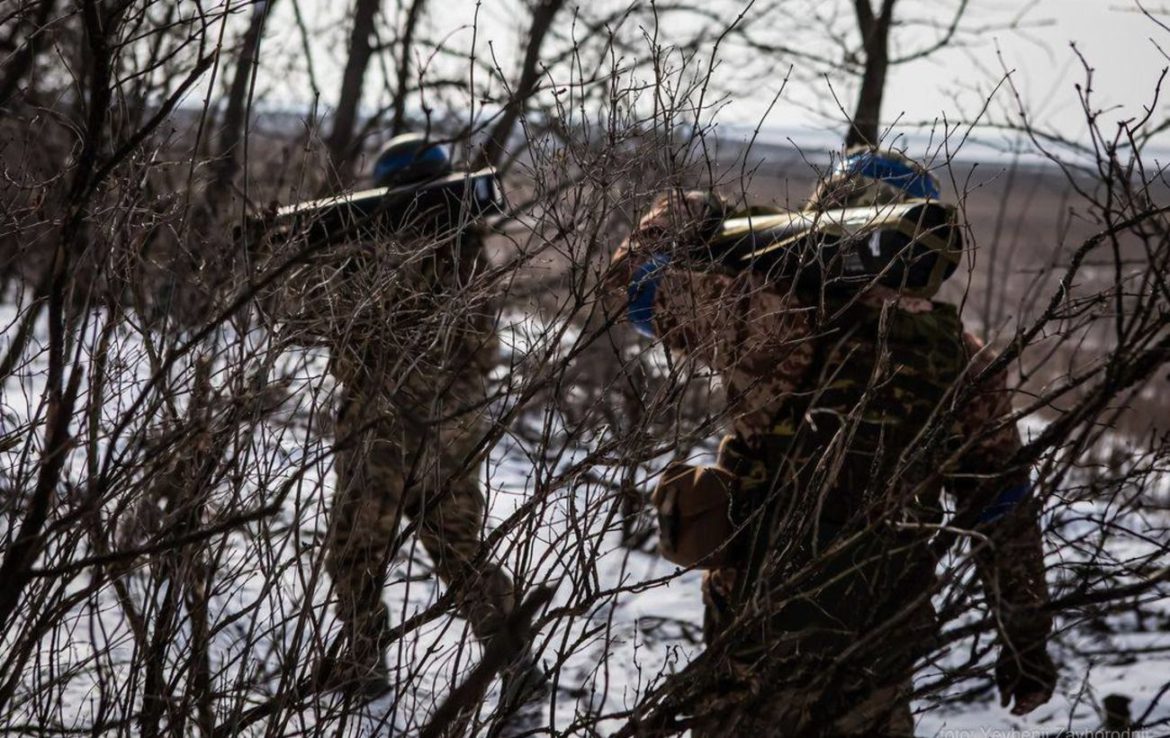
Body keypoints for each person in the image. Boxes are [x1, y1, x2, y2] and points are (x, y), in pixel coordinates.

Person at [605, 148, 1056, 736]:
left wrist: (684, 211)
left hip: (758, 638)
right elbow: (1004, 513)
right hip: (879, 648)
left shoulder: (772, 315)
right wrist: (1025, 645)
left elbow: (629, 284)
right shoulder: (964, 361)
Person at [306, 133, 517, 696]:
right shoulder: (470, 253)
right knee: (458, 548)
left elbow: (325, 327)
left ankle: (365, 663)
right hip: (454, 428)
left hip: (381, 425)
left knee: (356, 550)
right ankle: (514, 660)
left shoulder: (367, 250)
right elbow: (485, 351)